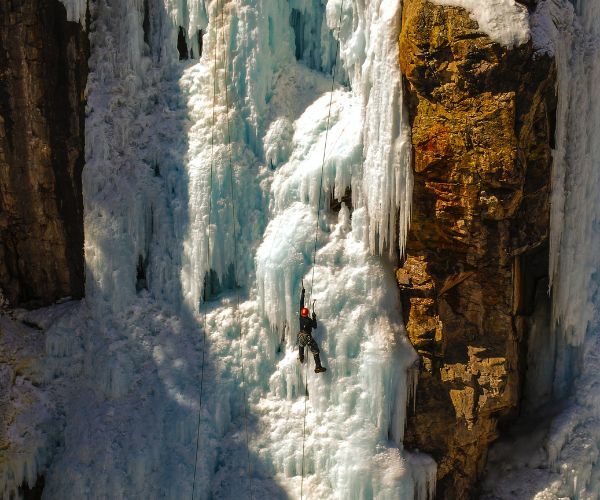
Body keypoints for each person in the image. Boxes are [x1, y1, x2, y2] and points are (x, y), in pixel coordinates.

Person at [298, 285, 327, 373]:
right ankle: (318, 366)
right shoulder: (309, 320)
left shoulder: (300, 317)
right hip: (307, 336)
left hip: (300, 335)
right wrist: (314, 317)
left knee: (301, 345)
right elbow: (315, 326)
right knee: (315, 350)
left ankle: (301, 357)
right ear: (307, 314)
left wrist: (303, 293)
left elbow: (301, 304)